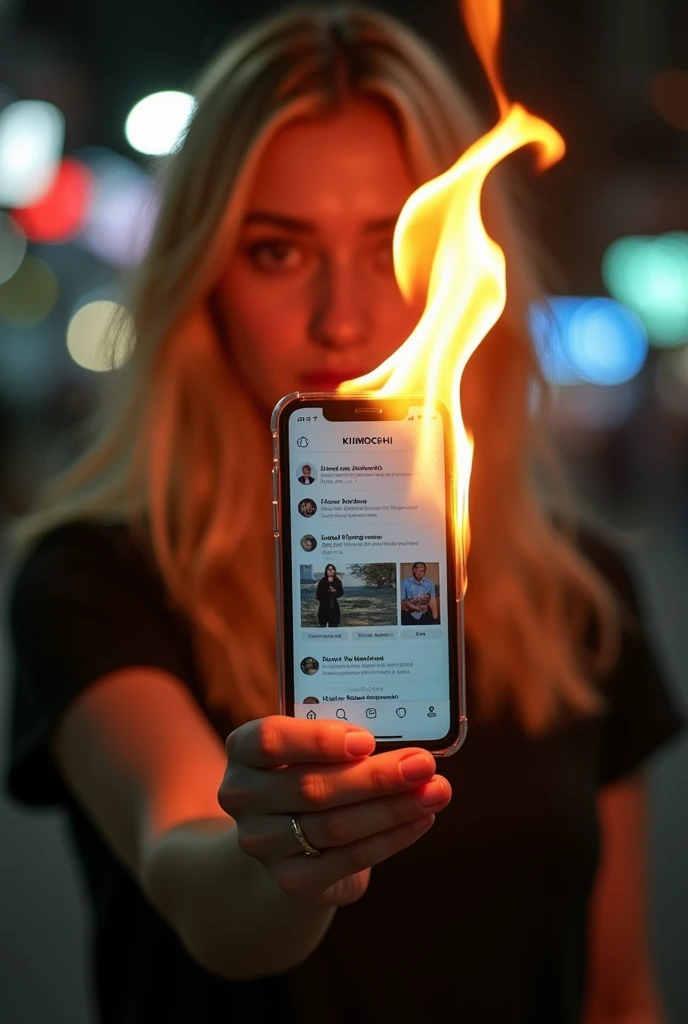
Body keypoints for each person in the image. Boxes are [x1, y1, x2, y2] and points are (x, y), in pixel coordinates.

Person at [2, 6, 683, 1024]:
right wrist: (288, 858)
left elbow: (617, 991)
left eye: (390, 247)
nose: (345, 319)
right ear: (206, 278)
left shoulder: (576, 590)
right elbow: (193, 876)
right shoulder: (97, 573)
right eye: (278, 251)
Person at [400, 561, 439, 625]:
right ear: (413, 570)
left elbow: (433, 600)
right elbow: (402, 602)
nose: (419, 573)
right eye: (418, 570)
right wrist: (413, 604)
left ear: (425, 572)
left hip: (424, 614)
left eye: (422, 571)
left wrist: (435, 618)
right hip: (408, 614)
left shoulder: (429, 583)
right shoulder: (404, 583)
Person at [315, 563, 344, 627]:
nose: (331, 571)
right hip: (324, 606)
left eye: (332, 569)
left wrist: (334, 593)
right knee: (322, 624)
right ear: (326, 571)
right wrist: (327, 593)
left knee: (334, 624)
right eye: (329, 569)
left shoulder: (337, 581)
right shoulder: (322, 581)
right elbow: (318, 594)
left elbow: (341, 592)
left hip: (334, 605)